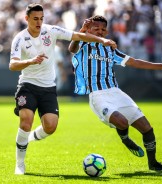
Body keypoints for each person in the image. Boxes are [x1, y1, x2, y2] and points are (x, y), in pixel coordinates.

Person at [9, 4, 117, 175]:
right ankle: (20, 164)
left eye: (41, 18)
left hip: (48, 87)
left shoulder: (51, 31)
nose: (39, 22)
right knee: (26, 120)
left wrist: (102, 40)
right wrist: (30, 61)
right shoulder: (20, 38)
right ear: (26, 19)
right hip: (27, 85)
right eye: (35, 18)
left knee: (50, 127)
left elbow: (77, 35)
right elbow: (13, 64)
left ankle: (28, 138)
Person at [68, 15, 162, 172]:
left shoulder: (110, 48)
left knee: (147, 128)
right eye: (96, 29)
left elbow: (134, 62)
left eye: (103, 29)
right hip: (98, 95)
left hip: (116, 92)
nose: (100, 32)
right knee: (121, 122)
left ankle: (153, 164)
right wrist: (81, 31)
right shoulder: (83, 43)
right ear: (89, 29)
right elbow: (72, 48)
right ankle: (125, 138)